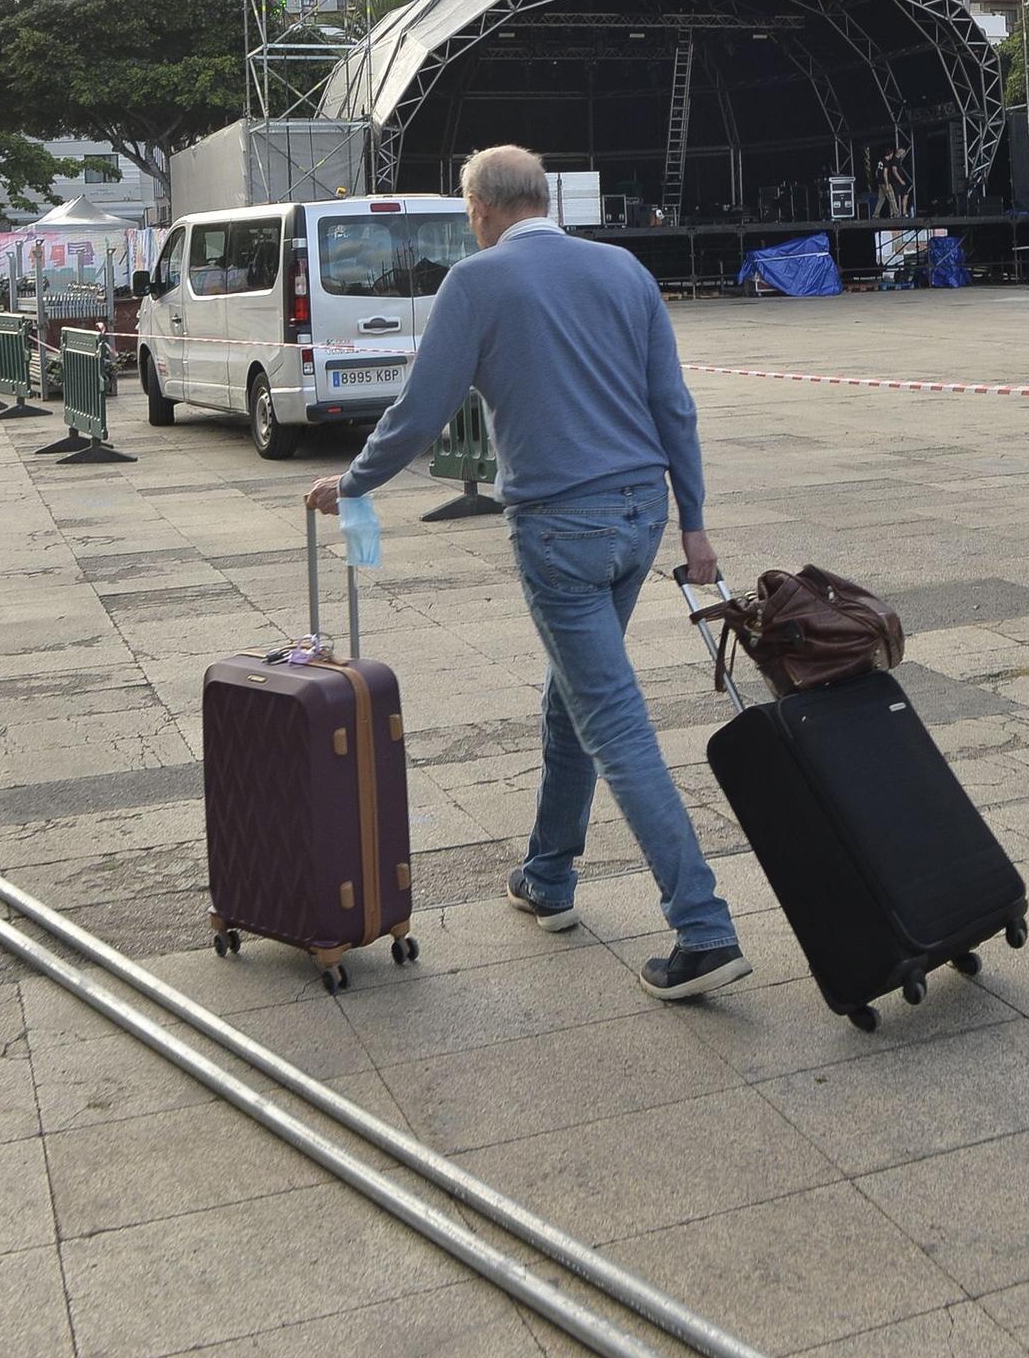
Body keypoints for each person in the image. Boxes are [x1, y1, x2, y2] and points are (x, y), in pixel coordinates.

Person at [306, 145, 751, 1002]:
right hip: (639, 515)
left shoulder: (476, 284)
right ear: (542, 197)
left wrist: (351, 483)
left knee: (613, 722)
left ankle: (702, 926)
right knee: (572, 696)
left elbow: (420, 411)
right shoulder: (623, 269)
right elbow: (674, 407)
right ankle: (548, 875)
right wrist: (694, 524)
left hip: (560, 528)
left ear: (477, 208)